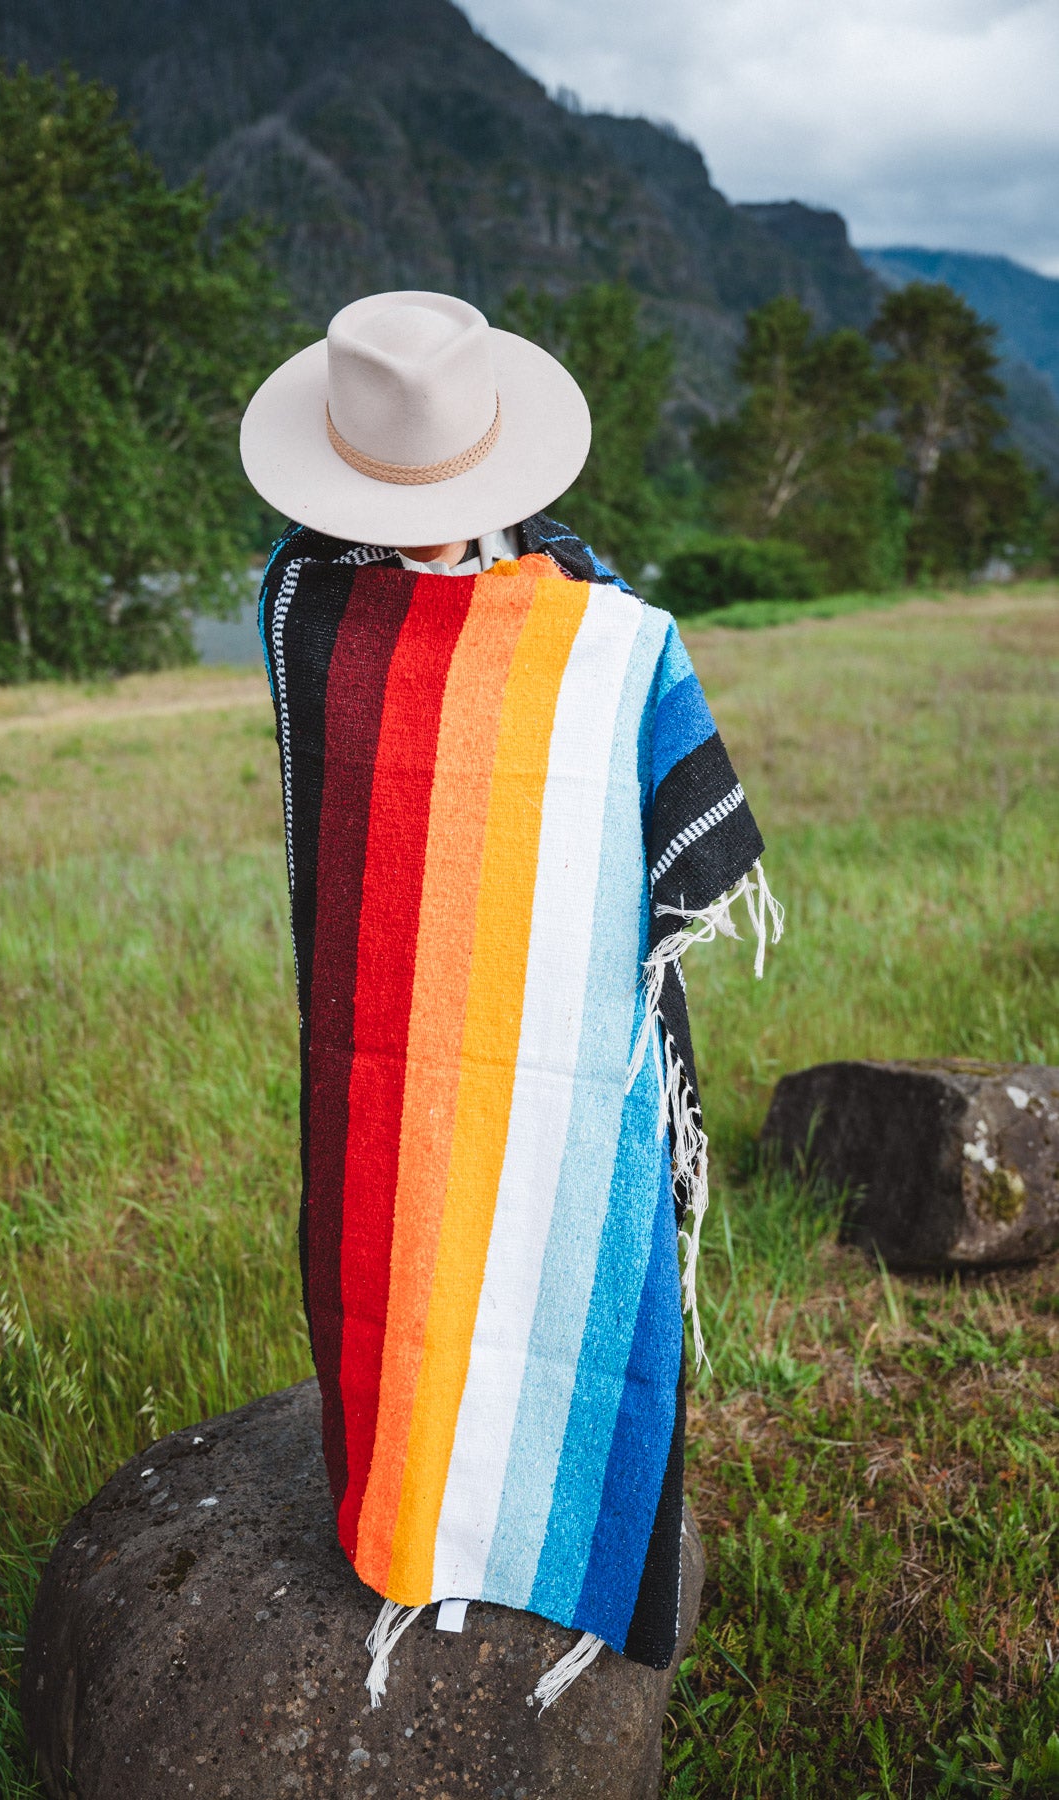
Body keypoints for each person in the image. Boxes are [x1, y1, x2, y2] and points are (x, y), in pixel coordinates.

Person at [239, 289, 781, 1710]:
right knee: (399, 1247)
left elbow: (671, 826)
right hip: (386, 1028)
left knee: (564, 1234)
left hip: (554, 1039)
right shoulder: (312, 610)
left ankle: (562, 1522)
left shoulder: (602, 630)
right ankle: (416, 1504)